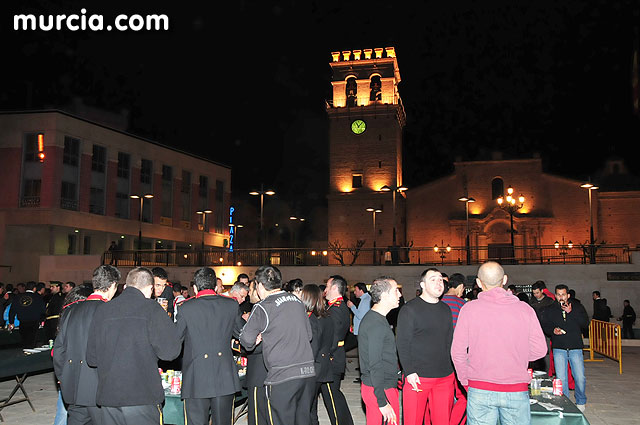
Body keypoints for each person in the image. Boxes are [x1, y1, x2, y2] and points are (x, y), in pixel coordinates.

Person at [451, 261, 547, 425]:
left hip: (479, 387)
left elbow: (457, 352)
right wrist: (518, 355)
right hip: (515, 387)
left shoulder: (469, 309)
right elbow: (540, 350)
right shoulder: (525, 309)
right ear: (504, 280)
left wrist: (465, 381)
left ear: (479, 283)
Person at [86, 267, 181, 425]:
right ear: (150, 288)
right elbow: (170, 352)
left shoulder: (103, 310)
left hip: (109, 395)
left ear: (125, 287)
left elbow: (92, 358)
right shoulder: (152, 309)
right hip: (142, 396)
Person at [239, 265, 315, 425]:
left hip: (282, 376)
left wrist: (260, 338)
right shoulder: (297, 301)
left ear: (259, 285)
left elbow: (246, 340)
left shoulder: (263, 307)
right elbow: (309, 335)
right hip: (307, 373)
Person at [176, 267, 245, 425]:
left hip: (196, 377)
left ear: (194, 288)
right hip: (224, 376)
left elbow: (175, 342)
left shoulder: (186, 308)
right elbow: (243, 334)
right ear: (215, 286)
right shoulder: (231, 305)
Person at [54, 264, 121, 425]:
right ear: (112, 285)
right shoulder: (112, 311)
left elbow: (59, 350)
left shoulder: (70, 310)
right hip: (100, 390)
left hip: (74, 387)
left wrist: (64, 376)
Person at [397, 268, 455, 425]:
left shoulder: (446, 309)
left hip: (445, 377)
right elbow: (402, 342)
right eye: (433, 279)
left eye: (441, 280)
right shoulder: (409, 309)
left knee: (443, 420)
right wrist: (409, 371)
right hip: (418, 377)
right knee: (413, 420)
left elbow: (449, 341)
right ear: (422, 285)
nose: (438, 282)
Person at [358, 277, 401, 425]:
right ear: (384, 295)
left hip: (382, 386)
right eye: (396, 291)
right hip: (380, 388)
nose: (400, 295)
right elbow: (374, 364)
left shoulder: (378, 319)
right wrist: (381, 401)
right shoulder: (375, 323)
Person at [541, 284, 589, 411]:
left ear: (568, 295)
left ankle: (580, 400)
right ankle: (566, 401)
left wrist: (571, 313)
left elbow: (585, 323)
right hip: (559, 347)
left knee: (579, 377)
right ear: (555, 295)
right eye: (558, 294)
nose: (561, 297)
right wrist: (552, 330)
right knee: (561, 378)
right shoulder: (550, 309)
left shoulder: (577, 307)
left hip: (575, 347)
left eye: (563, 294)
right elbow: (545, 325)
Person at [53, 284, 94, 425]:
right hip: (71, 373)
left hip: (70, 374)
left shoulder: (68, 313)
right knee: (63, 414)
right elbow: (58, 349)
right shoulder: (71, 315)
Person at [300, 284, 335, 425]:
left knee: (305, 409)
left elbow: (312, 348)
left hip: (312, 367)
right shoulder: (326, 316)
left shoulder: (311, 319)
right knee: (312, 407)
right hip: (323, 364)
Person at [321, 275, 355, 425]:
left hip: (331, 358)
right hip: (334, 356)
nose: (325, 290)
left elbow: (333, 338)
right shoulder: (336, 306)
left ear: (335, 288)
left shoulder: (335, 309)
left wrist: (325, 355)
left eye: (328, 286)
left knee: (332, 397)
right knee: (334, 395)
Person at [440, 272, 467, 425]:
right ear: (460, 287)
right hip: (458, 356)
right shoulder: (463, 305)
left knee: (445, 395)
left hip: (440, 356)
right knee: (463, 396)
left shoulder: (438, 302)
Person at [243, 279, 269, 425]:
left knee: (257, 416)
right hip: (268, 368)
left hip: (258, 369)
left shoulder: (259, 308)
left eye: (251, 289)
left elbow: (250, 340)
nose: (249, 293)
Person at [8, 281, 46, 348]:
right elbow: (43, 310)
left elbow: (12, 310)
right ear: (34, 288)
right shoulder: (38, 297)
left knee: (24, 340)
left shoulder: (18, 297)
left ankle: (24, 351)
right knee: (32, 341)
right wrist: (41, 320)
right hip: (34, 322)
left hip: (22, 322)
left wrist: (11, 322)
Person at [347, 282, 371, 383]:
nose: (355, 293)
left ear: (361, 291)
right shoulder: (365, 299)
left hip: (362, 331)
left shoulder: (365, 300)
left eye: (356, 290)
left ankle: (365, 376)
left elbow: (360, 315)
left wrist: (352, 307)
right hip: (361, 330)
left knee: (364, 354)